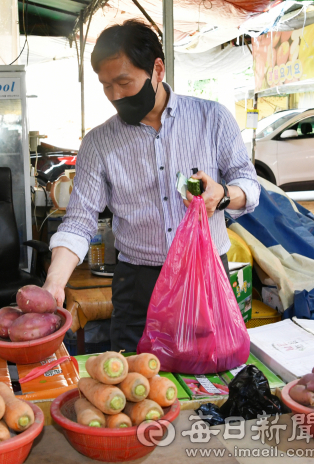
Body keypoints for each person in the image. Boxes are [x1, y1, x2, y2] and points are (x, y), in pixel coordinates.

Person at [43, 20, 260, 352]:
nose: (115, 96)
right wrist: (54, 283)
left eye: (124, 82)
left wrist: (225, 194)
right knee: (135, 380)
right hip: (138, 283)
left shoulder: (211, 118)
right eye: (105, 86)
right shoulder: (99, 142)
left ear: (157, 69)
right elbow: (80, 219)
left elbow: (249, 184)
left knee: (210, 371)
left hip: (205, 276)